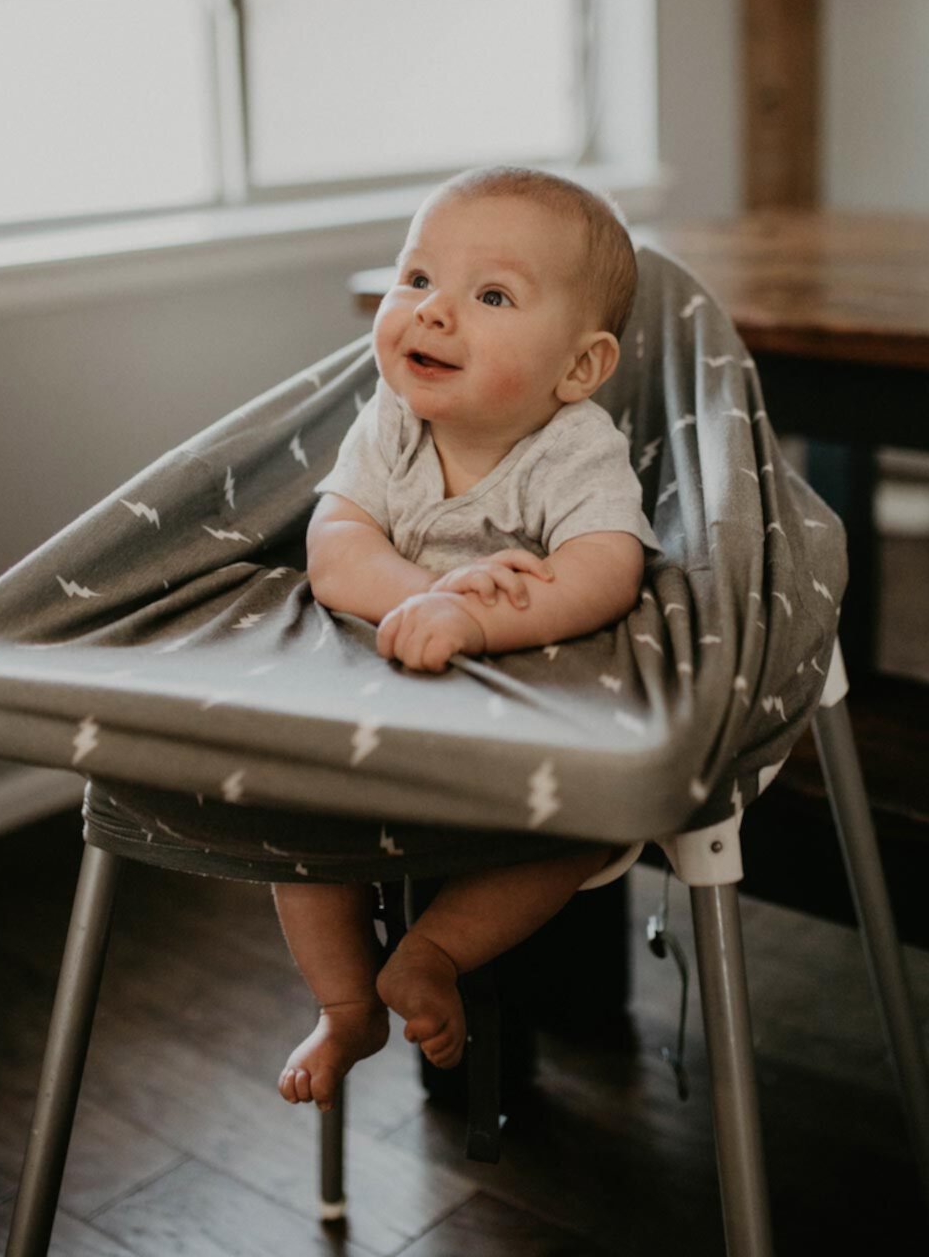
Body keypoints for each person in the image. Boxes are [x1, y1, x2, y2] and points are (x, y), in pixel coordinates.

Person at [272, 166, 659, 1113]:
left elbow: (608, 568)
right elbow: (335, 551)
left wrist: (480, 619)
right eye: (416, 281)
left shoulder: (574, 448)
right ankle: (345, 1005)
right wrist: (431, 594)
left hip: (520, 717)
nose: (433, 313)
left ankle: (432, 954)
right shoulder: (389, 425)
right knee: (290, 820)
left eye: (490, 296)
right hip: (372, 708)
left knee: (582, 828)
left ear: (579, 368)